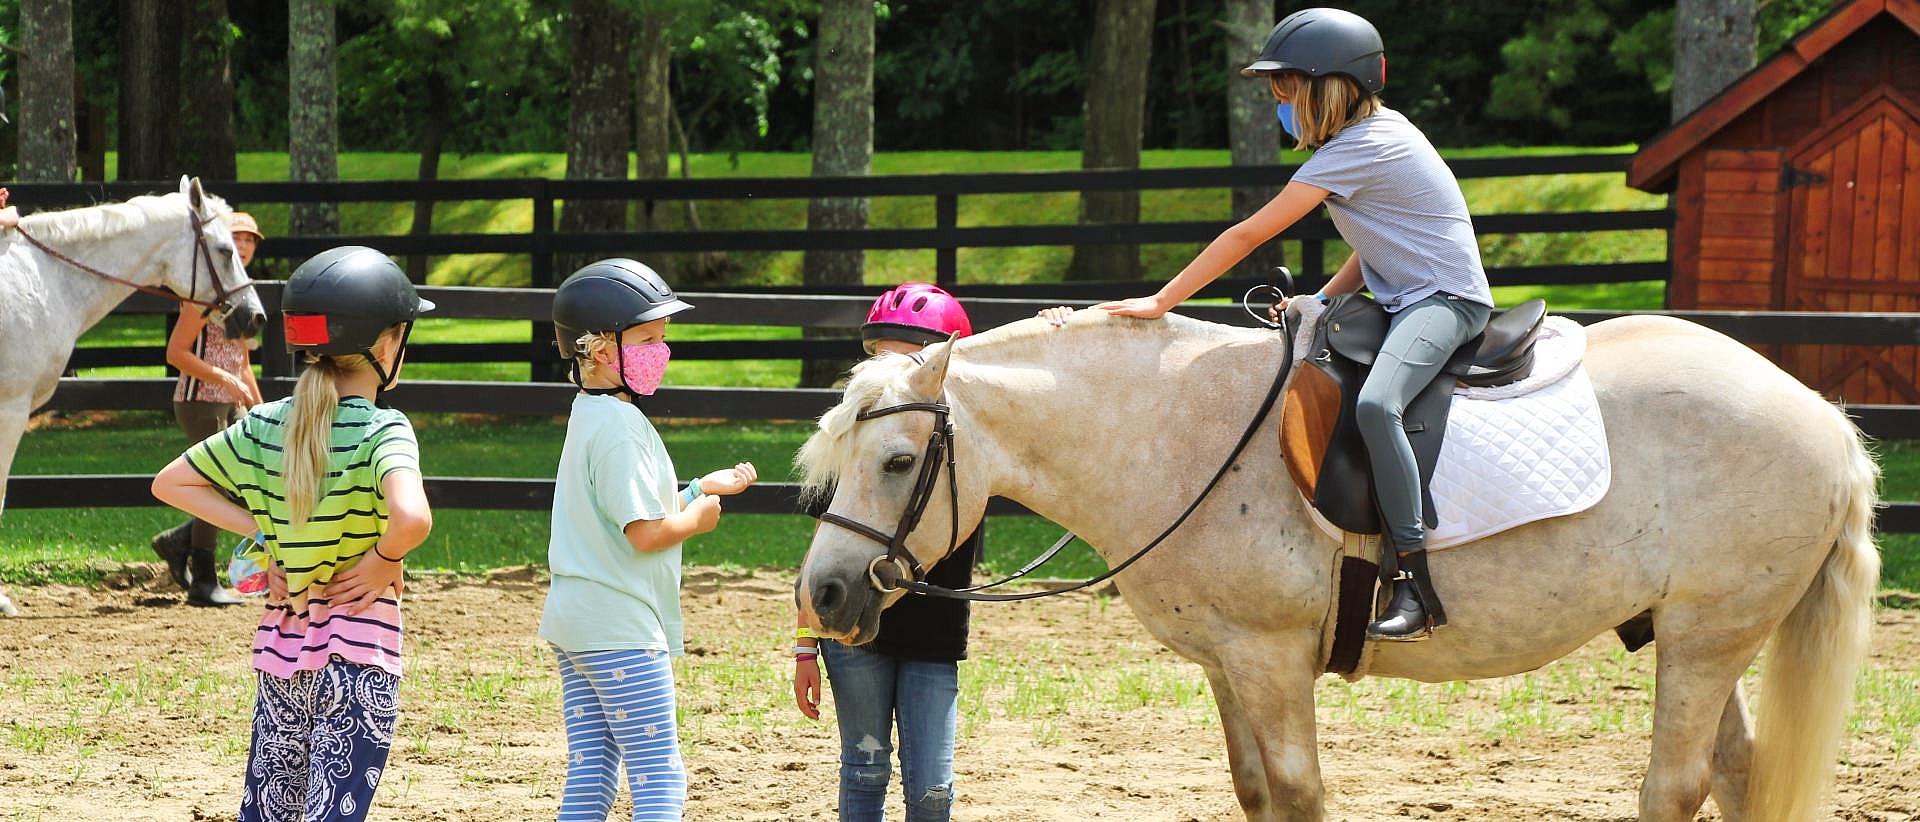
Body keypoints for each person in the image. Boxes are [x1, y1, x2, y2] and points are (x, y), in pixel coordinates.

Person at [1094, 7, 1495, 643]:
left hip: (1445, 301)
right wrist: (1322, 299)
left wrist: (1162, 302)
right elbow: (1379, 246)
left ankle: (1415, 581)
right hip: (1404, 296)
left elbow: (1251, 232)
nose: (1282, 106)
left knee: (1378, 405)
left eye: (1288, 91)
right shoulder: (1369, 140)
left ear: (1329, 87)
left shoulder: (1362, 148)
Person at [150, 245, 435, 821]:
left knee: (271, 809)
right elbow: (413, 518)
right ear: (385, 346)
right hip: (360, 656)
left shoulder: (263, 423)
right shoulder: (385, 429)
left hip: (282, 651)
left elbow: (171, 484)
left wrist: (268, 529)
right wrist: (383, 559)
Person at [541, 258, 759, 821]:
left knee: (593, 765)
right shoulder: (621, 429)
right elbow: (644, 533)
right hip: (620, 626)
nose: (660, 350)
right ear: (597, 348)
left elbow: (619, 513)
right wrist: (698, 519)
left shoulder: (590, 414)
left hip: (578, 617)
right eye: (646, 338)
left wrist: (695, 489)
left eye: (662, 338)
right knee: (658, 768)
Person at [792, 282, 980, 822]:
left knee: (932, 788)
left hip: (934, 634)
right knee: (864, 769)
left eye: (909, 354)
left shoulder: (968, 450)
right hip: (853, 635)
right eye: (880, 352)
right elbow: (821, 552)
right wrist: (807, 646)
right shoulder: (859, 440)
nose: (888, 366)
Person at [151, 211, 267, 605]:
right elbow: (176, 353)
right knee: (215, 484)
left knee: (246, 482)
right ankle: (204, 580)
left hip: (229, 401)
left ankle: (179, 541)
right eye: (238, 238)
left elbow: (243, 363)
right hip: (199, 402)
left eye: (251, 240)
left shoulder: (238, 298)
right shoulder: (200, 299)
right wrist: (222, 379)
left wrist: (259, 408)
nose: (246, 246)